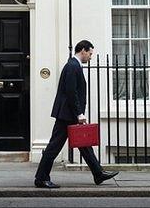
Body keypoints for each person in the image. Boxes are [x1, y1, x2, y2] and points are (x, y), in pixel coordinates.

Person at [34, 40, 119, 188]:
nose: (91, 57)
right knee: (54, 146)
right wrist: (79, 113)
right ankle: (41, 178)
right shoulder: (73, 66)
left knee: (84, 144)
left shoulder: (73, 66)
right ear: (83, 50)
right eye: (90, 54)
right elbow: (71, 92)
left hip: (68, 113)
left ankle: (98, 174)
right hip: (67, 114)